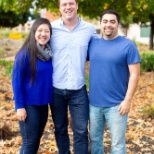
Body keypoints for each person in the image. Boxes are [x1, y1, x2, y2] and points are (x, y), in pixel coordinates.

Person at [88, 10, 141, 154]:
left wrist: (128, 100)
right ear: (101, 24)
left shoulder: (128, 45)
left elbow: (135, 74)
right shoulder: (93, 44)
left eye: (112, 21)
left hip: (117, 105)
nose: (108, 25)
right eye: (105, 21)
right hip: (93, 104)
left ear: (117, 24)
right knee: (95, 140)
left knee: (117, 144)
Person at [49, 0, 97, 153]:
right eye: (64, 4)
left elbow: (98, 51)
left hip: (78, 89)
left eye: (71, 3)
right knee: (60, 129)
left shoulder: (89, 29)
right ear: (59, 7)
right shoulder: (51, 28)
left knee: (82, 131)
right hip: (55, 88)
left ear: (76, 5)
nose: (67, 7)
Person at [12, 18, 53, 154]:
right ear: (33, 32)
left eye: (46, 31)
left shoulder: (49, 54)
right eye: (40, 30)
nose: (43, 34)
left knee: (35, 142)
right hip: (29, 106)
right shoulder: (24, 54)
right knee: (29, 144)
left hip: (43, 106)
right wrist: (20, 107)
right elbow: (16, 81)